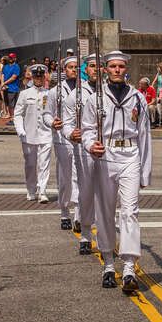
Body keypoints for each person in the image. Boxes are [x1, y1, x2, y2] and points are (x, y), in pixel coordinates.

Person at [82, 51, 152, 293]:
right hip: (106, 155)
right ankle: (109, 264)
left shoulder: (138, 98)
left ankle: (130, 266)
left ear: (126, 69)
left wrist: (145, 171)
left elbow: (145, 135)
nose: (117, 70)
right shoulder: (96, 98)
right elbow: (87, 128)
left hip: (130, 155)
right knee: (105, 211)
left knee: (130, 210)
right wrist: (91, 144)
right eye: (112, 66)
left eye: (121, 66)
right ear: (106, 69)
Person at [61, 53, 99, 254]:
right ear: (86, 69)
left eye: (100, 66)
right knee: (85, 192)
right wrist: (69, 132)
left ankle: (103, 233)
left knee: (105, 195)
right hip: (82, 148)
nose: (96, 69)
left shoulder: (112, 92)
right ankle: (85, 234)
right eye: (92, 66)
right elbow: (66, 123)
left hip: (105, 149)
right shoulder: (75, 94)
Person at [43, 56, 81, 231]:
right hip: (62, 140)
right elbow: (46, 114)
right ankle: (65, 211)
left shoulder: (86, 90)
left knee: (80, 178)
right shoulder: (54, 92)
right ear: (64, 71)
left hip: (81, 139)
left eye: (76, 67)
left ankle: (79, 215)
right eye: (70, 67)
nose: (74, 70)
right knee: (64, 179)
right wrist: (52, 122)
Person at [13, 64, 52, 203]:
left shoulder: (49, 94)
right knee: (30, 165)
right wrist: (20, 131)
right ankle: (31, 189)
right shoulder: (25, 94)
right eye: (36, 76)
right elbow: (17, 114)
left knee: (44, 164)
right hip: (28, 135)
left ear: (44, 77)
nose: (38, 79)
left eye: (41, 76)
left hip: (46, 134)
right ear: (32, 77)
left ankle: (42, 191)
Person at [1, 53, 21, 122]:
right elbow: (2, 75)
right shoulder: (6, 66)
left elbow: (13, 78)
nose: (10, 59)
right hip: (5, 88)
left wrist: (4, 83)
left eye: (12, 58)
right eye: (10, 57)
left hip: (13, 88)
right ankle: (11, 116)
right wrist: (2, 84)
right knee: (7, 103)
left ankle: (13, 117)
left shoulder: (16, 67)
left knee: (12, 104)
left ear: (15, 58)